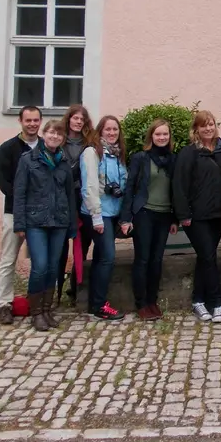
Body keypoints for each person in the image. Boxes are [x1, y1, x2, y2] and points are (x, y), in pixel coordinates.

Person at [13, 120, 77, 331]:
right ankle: (36, 312)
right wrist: (19, 223)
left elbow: (69, 195)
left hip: (59, 221)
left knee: (52, 267)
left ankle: (47, 309)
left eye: (59, 134)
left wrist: (71, 224)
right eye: (51, 133)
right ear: (44, 134)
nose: (55, 137)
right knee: (39, 267)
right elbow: (20, 193)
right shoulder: (28, 160)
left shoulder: (64, 162)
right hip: (36, 221)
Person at [173, 110, 221, 323]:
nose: (208, 128)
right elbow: (179, 185)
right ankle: (217, 302)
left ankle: (198, 300)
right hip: (195, 217)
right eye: (203, 125)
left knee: (205, 257)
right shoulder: (188, 153)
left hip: (218, 216)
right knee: (209, 256)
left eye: (211, 124)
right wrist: (183, 214)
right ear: (196, 129)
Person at [119, 119, 178, 321]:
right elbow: (130, 188)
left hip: (164, 216)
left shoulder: (173, 159)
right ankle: (141, 303)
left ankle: (153, 301)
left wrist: (175, 219)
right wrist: (126, 218)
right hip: (144, 213)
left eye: (165, 134)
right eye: (158, 134)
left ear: (169, 137)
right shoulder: (140, 158)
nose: (162, 137)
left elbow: (175, 192)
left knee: (156, 260)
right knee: (143, 259)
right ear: (151, 136)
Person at [0, 105, 43, 325]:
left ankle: (36, 302)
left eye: (35, 120)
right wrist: (24, 201)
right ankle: (3, 303)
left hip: (40, 214)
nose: (32, 124)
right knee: (8, 258)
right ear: (20, 121)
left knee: (39, 261)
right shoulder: (8, 148)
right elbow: (4, 183)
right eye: (28, 120)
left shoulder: (45, 146)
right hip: (14, 212)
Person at [79, 115, 127, 322]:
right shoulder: (92, 153)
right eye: (107, 129)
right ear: (99, 131)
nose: (112, 133)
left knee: (100, 258)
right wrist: (96, 216)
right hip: (97, 213)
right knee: (107, 257)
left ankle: (94, 304)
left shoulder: (117, 154)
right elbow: (89, 186)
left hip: (112, 212)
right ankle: (99, 306)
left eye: (115, 129)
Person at [58, 104, 94, 306]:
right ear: (69, 119)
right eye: (75, 118)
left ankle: (75, 287)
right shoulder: (59, 141)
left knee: (82, 245)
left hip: (82, 199)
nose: (79, 122)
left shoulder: (89, 143)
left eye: (82, 119)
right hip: (62, 199)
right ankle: (55, 290)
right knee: (60, 248)